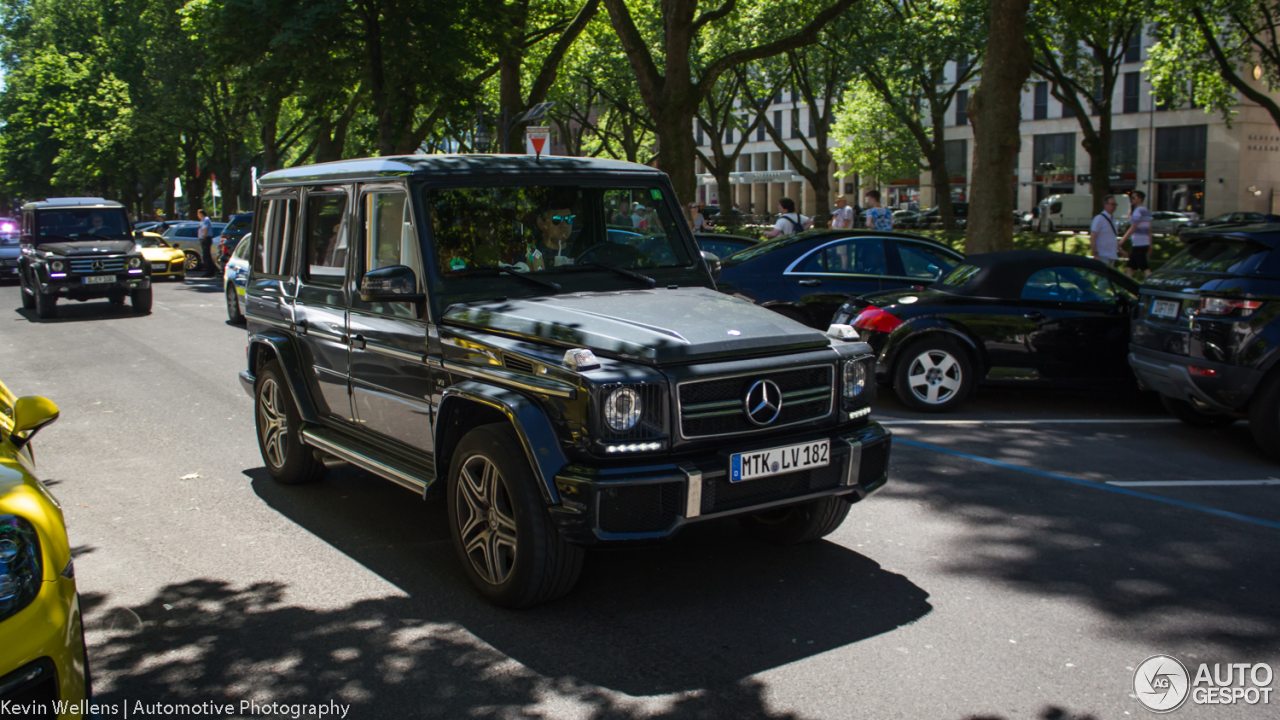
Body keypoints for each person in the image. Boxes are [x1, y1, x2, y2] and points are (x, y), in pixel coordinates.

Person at [526, 201, 577, 271]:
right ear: (541, 224)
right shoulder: (530, 257)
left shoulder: (581, 254)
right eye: (557, 219)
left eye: (569, 219)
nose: (564, 225)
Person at [1120, 190, 1153, 279]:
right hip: (1143, 243)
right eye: (1132, 197)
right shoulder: (1146, 211)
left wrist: (1122, 241)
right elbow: (1149, 229)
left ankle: (1151, 284)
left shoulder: (1137, 211)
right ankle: (1128, 284)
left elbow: (1133, 227)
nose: (1132, 199)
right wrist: (1150, 244)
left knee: (1144, 266)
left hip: (1139, 243)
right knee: (1130, 266)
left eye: (1134, 197)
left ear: (1140, 199)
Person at [1088, 195, 1125, 267]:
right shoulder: (1099, 218)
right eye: (1112, 204)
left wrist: (1120, 250)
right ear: (1105, 205)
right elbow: (1093, 237)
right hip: (1102, 254)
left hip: (1112, 254)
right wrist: (1095, 253)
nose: (1114, 206)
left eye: (1115, 204)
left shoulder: (1114, 220)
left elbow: (1113, 238)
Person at [197, 208, 215, 277]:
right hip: (204, 239)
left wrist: (204, 237)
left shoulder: (205, 220)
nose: (197, 215)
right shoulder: (202, 220)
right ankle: (209, 271)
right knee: (206, 256)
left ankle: (209, 272)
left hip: (206, 239)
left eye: (198, 213)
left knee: (206, 256)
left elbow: (206, 228)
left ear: (201, 214)